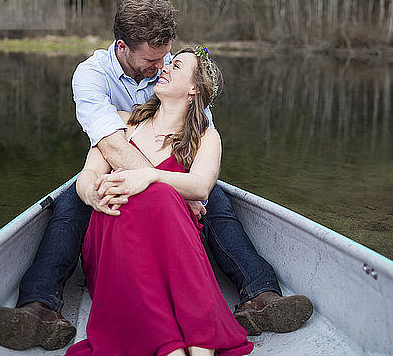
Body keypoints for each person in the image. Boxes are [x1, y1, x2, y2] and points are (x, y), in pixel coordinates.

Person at [0, 0, 312, 351]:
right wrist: (154, 189)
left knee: (216, 200)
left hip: (168, 168)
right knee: (69, 205)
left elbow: (197, 131)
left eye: (167, 58)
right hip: (119, 168)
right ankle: (40, 307)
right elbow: (110, 144)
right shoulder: (92, 75)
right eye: (153, 59)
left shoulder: (175, 70)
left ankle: (260, 296)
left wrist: (173, 187)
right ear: (123, 47)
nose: (162, 66)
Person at [66, 45, 253, 356]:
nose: (165, 68)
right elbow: (87, 176)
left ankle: (195, 344)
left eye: (176, 66)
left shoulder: (205, 137)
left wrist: (150, 176)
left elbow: (201, 187)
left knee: (160, 195)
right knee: (150, 197)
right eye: (168, 63)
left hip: (172, 244)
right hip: (114, 233)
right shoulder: (124, 123)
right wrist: (93, 195)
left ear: (194, 88)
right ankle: (174, 347)